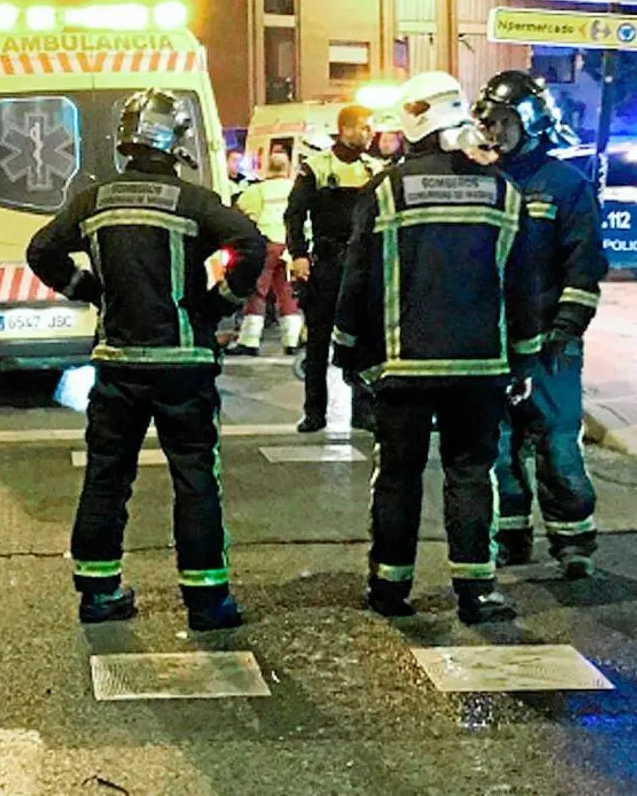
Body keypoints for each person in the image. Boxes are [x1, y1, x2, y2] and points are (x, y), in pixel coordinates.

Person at [28, 89, 267, 632]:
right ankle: (207, 602)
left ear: (126, 140)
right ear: (176, 140)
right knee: (195, 479)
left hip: (117, 364)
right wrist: (217, 303)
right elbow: (251, 244)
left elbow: (41, 251)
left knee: (107, 478)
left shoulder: (93, 202)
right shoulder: (192, 201)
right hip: (182, 362)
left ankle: (98, 592)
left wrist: (88, 289)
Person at [332, 72, 544, 625]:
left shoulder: (388, 190)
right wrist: (524, 359)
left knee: (398, 475)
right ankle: (476, 592)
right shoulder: (503, 190)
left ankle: (389, 587)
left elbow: (358, 277)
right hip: (481, 368)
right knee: (473, 474)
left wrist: (348, 352)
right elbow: (523, 285)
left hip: (404, 365)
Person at [474, 71, 608, 578]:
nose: (495, 132)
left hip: (551, 343)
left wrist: (568, 324)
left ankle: (574, 542)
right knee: (499, 443)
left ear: (529, 121)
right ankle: (510, 534)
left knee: (555, 440)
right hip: (493, 339)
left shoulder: (564, 186)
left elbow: (585, 263)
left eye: (504, 121)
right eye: (489, 122)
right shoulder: (482, 183)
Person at [285, 105, 385, 432]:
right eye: (365, 128)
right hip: (327, 264)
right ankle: (314, 412)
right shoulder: (316, 167)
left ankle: (364, 409)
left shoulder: (375, 170)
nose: (371, 134)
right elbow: (295, 215)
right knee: (318, 342)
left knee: (365, 338)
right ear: (345, 130)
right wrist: (299, 254)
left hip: (362, 266)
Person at [227, 147, 304, 357]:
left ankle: (250, 341)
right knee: (286, 292)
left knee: (258, 291)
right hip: (289, 247)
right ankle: (292, 340)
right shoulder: (295, 189)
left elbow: (240, 212)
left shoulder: (258, 191)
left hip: (267, 245)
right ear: (288, 168)